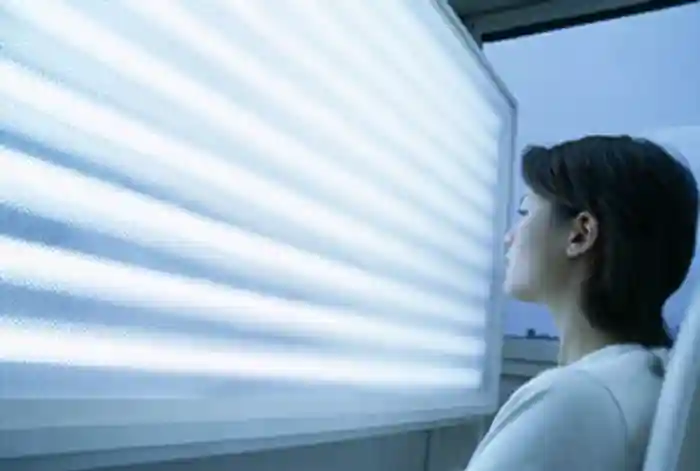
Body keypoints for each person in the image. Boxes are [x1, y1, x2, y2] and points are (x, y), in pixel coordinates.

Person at [466, 135, 698, 471]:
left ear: (580, 234)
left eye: (525, 211)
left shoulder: (571, 400)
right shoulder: (649, 379)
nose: (510, 236)